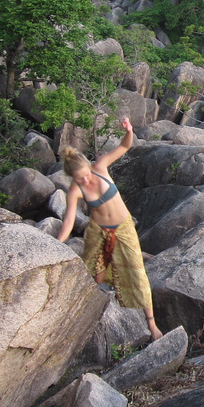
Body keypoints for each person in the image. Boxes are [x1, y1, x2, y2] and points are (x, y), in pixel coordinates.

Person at [57, 117, 162, 341]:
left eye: (86, 175)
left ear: (89, 166)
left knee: (137, 272)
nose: (85, 180)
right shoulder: (75, 191)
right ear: (71, 179)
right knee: (94, 267)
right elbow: (68, 221)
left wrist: (129, 130)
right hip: (99, 230)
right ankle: (100, 309)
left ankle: (152, 325)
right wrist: (58, 242)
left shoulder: (100, 167)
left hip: (123, 228)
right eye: (79, 179)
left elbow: (125, 146)